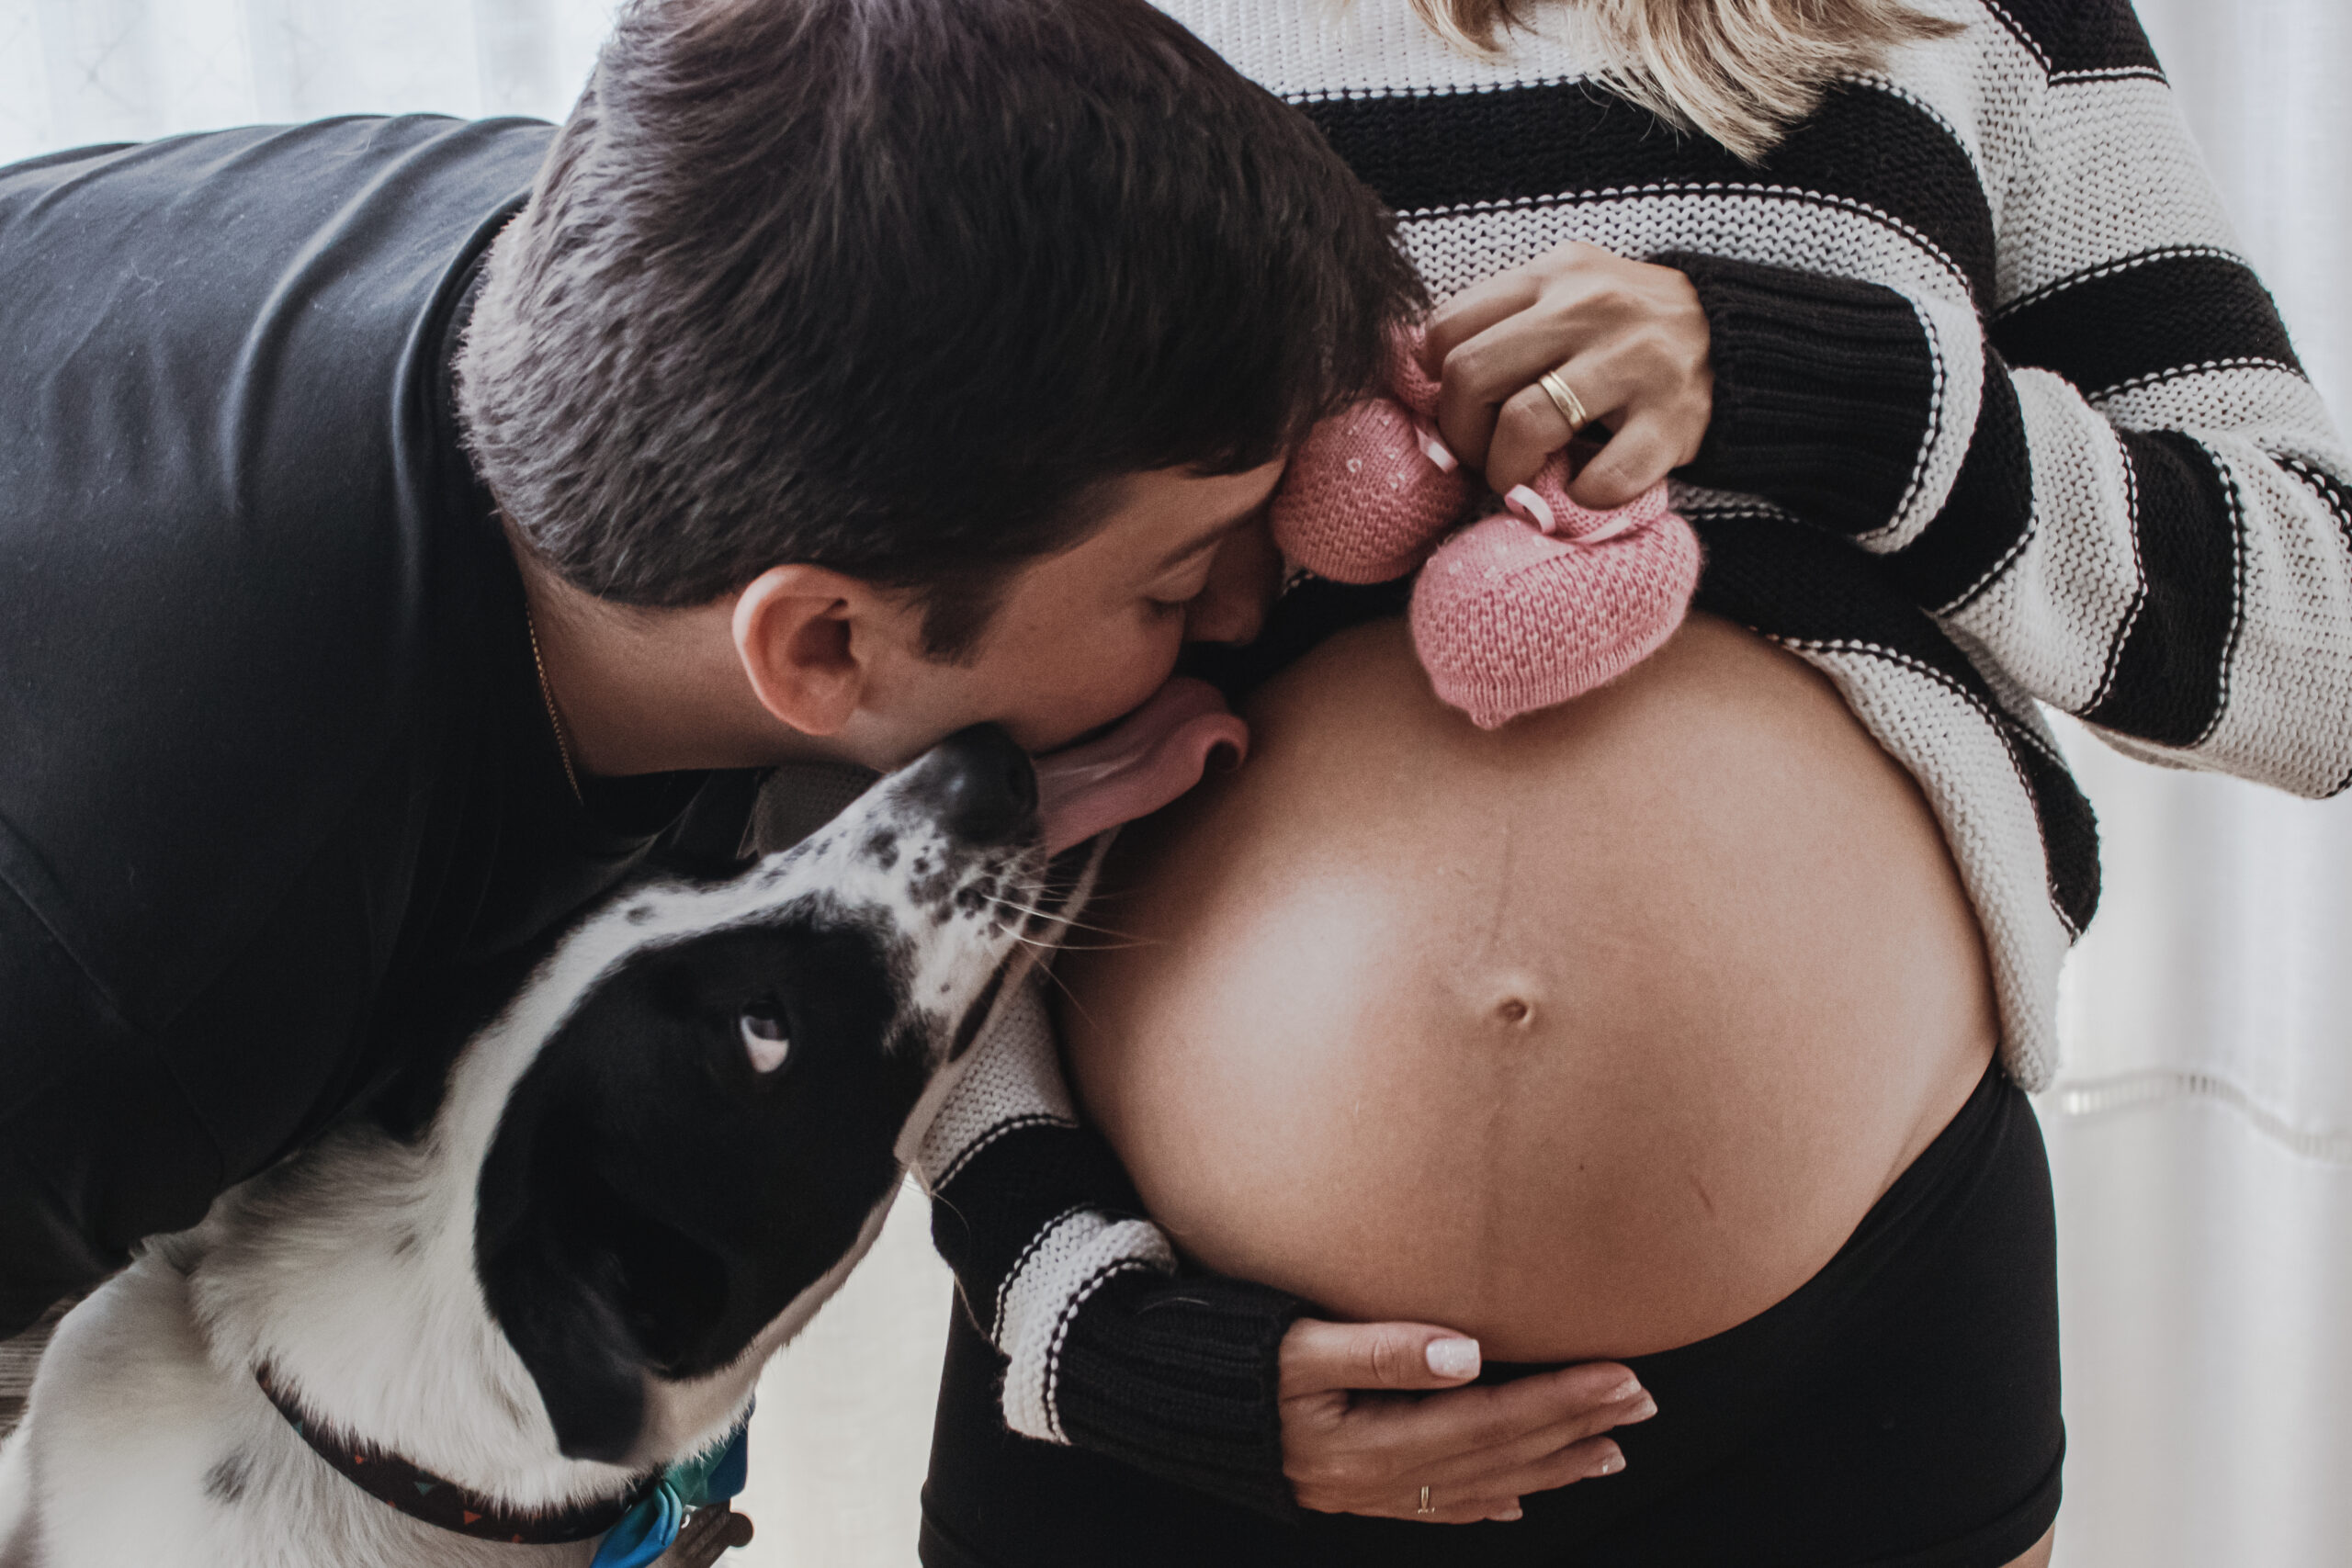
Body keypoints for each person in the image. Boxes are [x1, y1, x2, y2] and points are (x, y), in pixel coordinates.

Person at [911, 0, 2352, 1563]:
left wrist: (1850, 400)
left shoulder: (1984, 20)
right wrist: (1059, 1287)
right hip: (1173, 1355)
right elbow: (859, 722)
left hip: (1852, 1359)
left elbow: (2321, 646)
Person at [0, 0, 1436, 1348]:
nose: (1250, 606)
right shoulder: (152, 984)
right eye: (1175, 582)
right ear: (820, 644)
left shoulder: (714, 245)